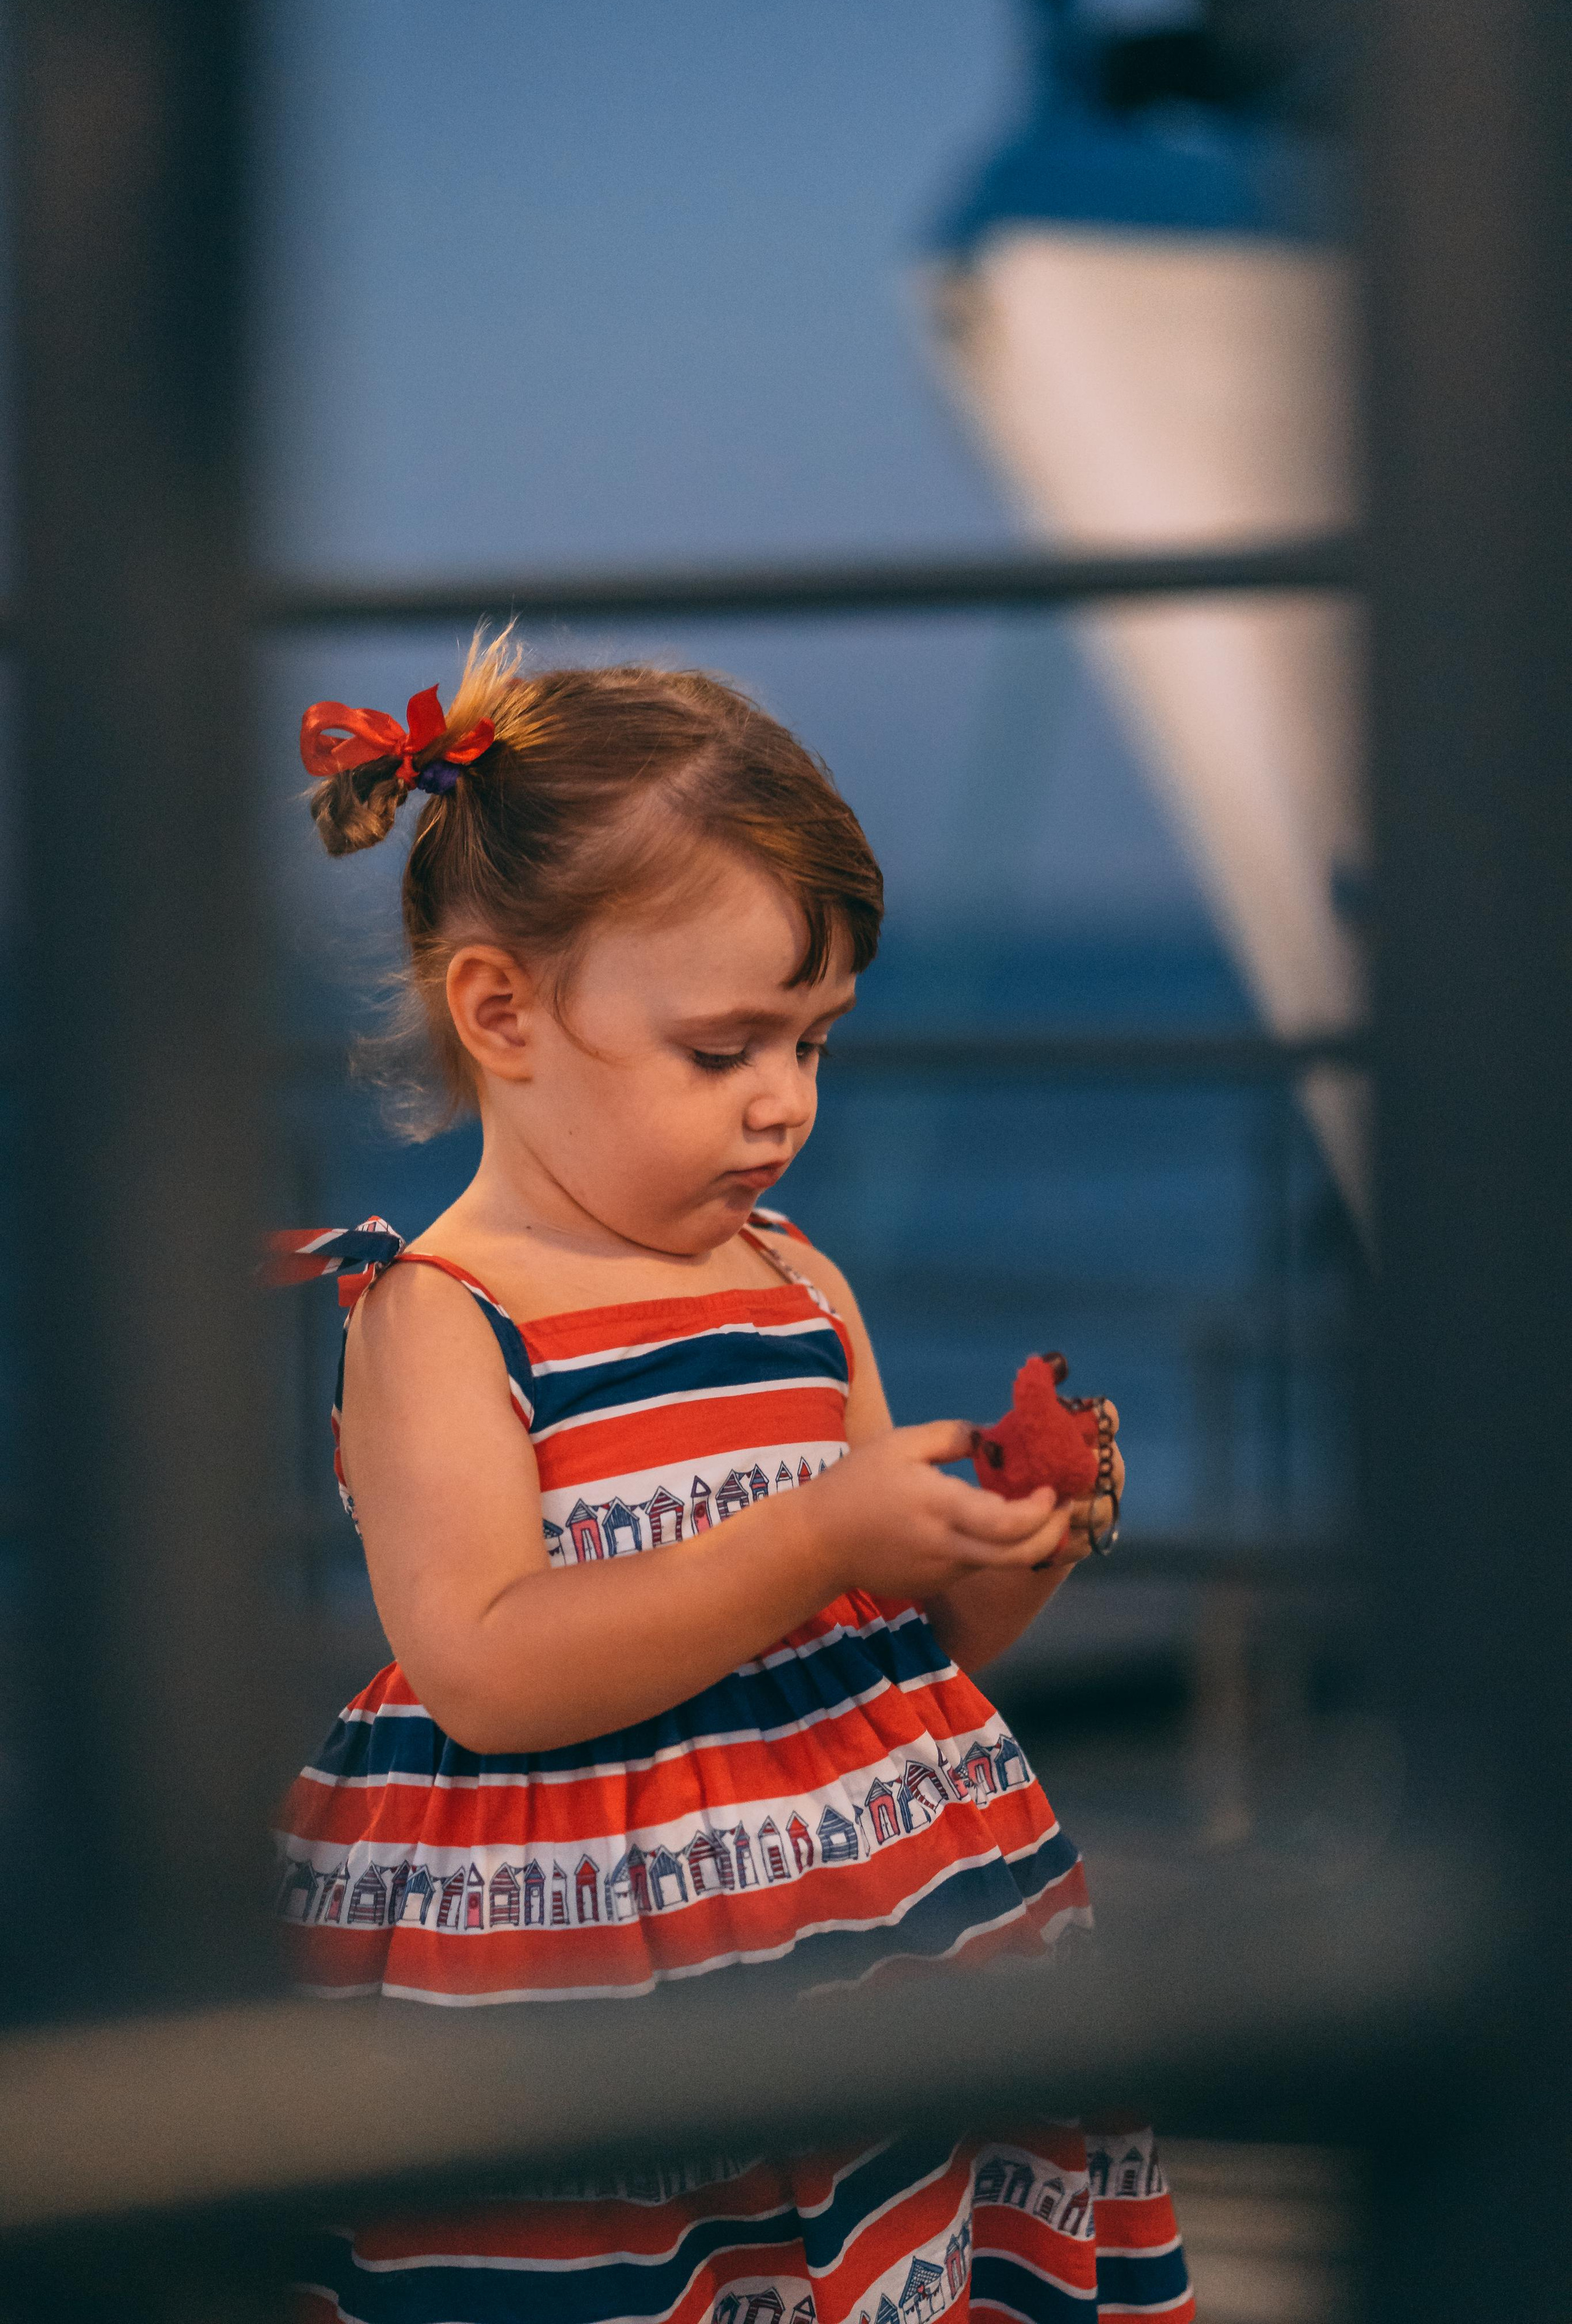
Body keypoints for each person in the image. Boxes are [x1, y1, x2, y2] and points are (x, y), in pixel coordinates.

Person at [271, 632, 1193, 2324]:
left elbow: (896, 1661)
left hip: (875, 1932)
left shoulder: (794, 1284)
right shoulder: (441, 1319)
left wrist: (1014, 1540)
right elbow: (483, 1665)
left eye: (817, 1044)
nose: (784, 1104)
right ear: (502, 1011)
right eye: (727, 1050)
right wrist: (822, 1530)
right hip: (578, 1980)